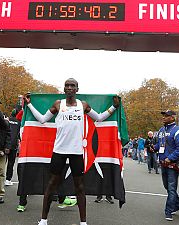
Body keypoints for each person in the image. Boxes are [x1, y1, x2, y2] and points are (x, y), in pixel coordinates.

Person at [24, 78, 120, 225]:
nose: (69, 88)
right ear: (64, 89)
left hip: (76, 152)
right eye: (67, 85)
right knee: (51, 185)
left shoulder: (83, 105)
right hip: (59, 151)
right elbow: (42, 119)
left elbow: (99, 118)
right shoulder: (58, 104)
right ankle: (43, 220)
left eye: (72, 86)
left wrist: (113, 107)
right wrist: (29, 104)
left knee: (80, 187)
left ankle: (83, 222)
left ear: (77, 89)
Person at [154, 110, 179, 221]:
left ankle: (169, 211)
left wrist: (170, 158)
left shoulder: (177, 131)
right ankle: (178, 204)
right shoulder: (161, 130)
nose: (163, 117)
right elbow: (160, 144)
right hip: (163, 163)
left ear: (172, 118)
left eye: (166, 116)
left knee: (171, 188)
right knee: (167, 187)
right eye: (163, 115)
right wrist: (154, 147)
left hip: (172, 164)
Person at [6, 108, 21, 186]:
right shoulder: (19, 122)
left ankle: (0, 175)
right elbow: (20, 134)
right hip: (13, 145)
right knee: (10, 163)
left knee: (0, 162)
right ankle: (8, 179)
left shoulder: (7, 120)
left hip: (5, 144)